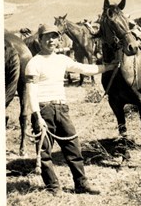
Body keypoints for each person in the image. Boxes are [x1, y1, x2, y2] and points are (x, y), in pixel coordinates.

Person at [25, 24, 118, 195]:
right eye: (47, 37)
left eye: (54, 37)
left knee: (73, 148)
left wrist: (107, 67)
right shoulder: (33, 63)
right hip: (43, 110)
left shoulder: (62, 60)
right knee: (45, 152)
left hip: (62, 109)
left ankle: (81, 184)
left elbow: (84, 69)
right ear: (40, 40)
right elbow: (31, 92)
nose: (51, 40)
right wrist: (37, 116)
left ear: (58, 40)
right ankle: (53, 187)